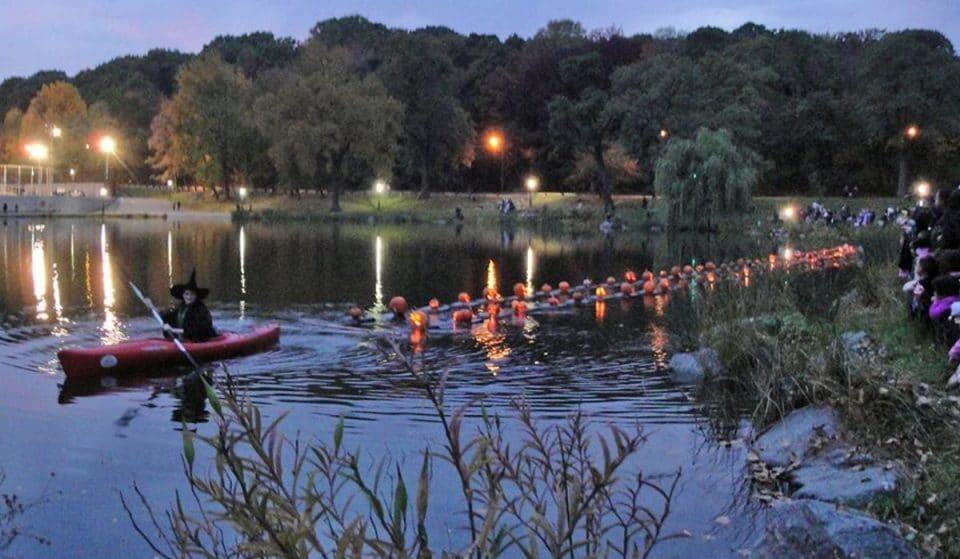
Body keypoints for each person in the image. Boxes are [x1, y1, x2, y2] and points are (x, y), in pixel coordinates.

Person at [158, 269, 217, 342]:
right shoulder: (181, 308)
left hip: (199, 340)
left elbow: (198, 330)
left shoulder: (201, 310)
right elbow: (167, 317)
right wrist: (151, 307)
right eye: (187, 294)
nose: (189, 297)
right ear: (183, 295)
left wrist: (173, 330)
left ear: (196, 296)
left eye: (192, 294)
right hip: (184, 341)